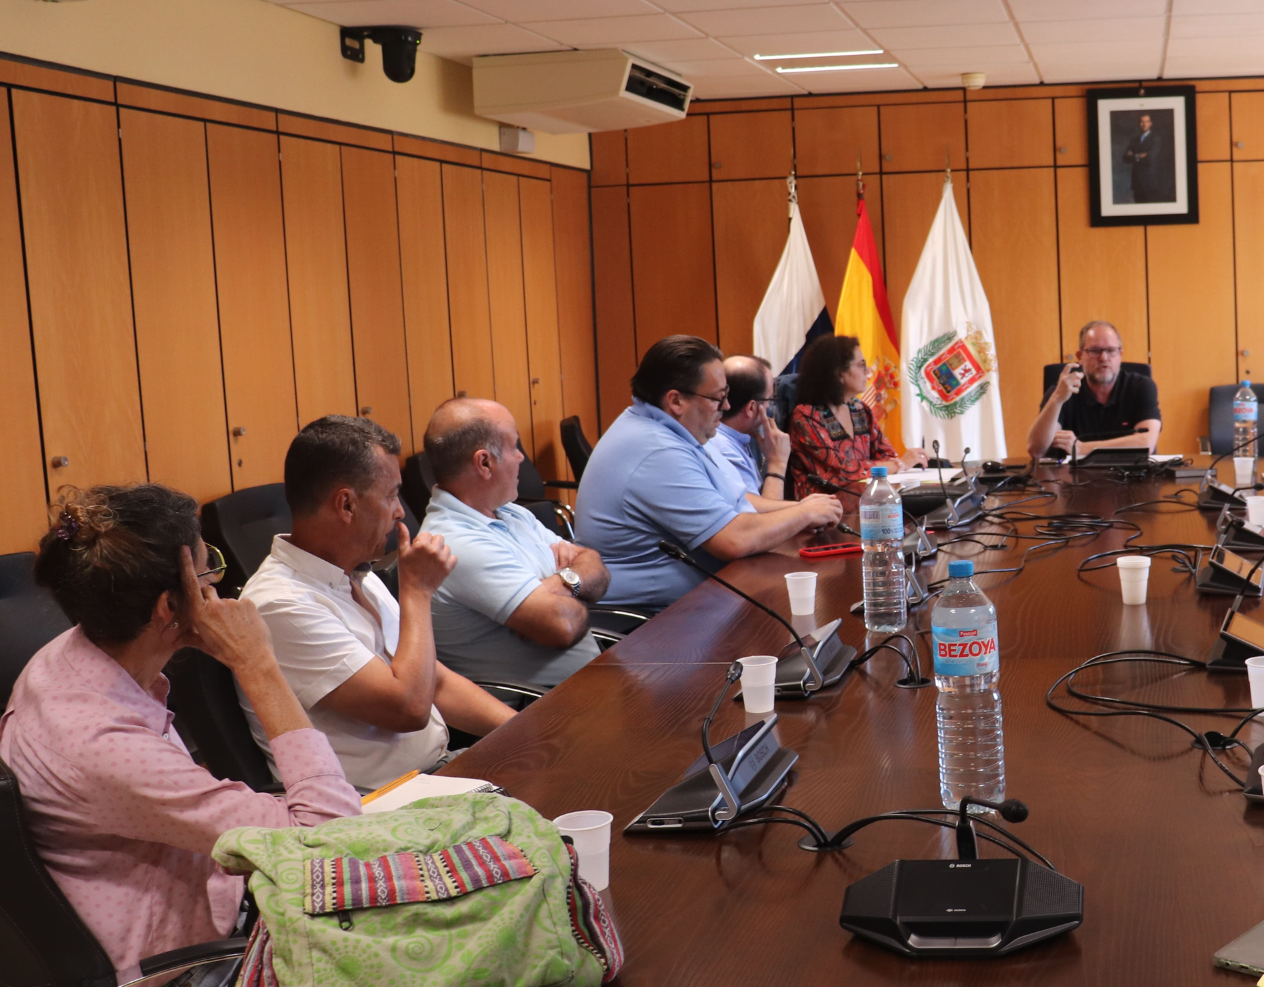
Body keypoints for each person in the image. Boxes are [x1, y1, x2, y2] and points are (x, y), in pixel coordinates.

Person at [0, 485, 361, 987]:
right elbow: (331, 845)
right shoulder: (98, 740)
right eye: (208, 564)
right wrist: (257, 662)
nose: (218, 580)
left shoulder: (64, 655)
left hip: (219, 929)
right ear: (172, 605)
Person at [240, 416, 515, 793]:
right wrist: (416, 590)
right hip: (376, 806)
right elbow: (409, 708)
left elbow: (436, 683)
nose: (400, 510)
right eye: (390, 496)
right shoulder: (279, 605)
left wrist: (527, 730)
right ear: (347, 504)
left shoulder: (356, 574)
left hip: (438, 774)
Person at [577, 335, 843, 611]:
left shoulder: (677, 431)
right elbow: (733, 539)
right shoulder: (655, 450)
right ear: (677, 401)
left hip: (707, 600)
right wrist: (802, 514)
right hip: (657, 624)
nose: (727, 407)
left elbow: (741, 502)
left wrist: (800, 509)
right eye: (718, 398)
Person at [417, 398, 609, 694]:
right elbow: (563, 625)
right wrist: (577, 586)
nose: (521, 458)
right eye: (514, 447)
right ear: (484, 462)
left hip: (584, 687)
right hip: (536, 712)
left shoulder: (510, 511)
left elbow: (594, 563)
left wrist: (557, 585)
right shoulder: (455, 543)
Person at [786, 333, 926, 502]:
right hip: (822, 512)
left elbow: (887, 454)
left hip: (865, 502)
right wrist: (898, 465)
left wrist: (896, 463)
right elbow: (841, 472)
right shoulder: (806, 416)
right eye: (861, 365)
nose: (867, 371)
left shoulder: (860, 410)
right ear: (839, 374)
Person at [1026, 321, 1163, 460]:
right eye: (1094, 351)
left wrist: (1081, 448)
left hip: (1132, 477)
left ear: (1120, 355)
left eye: (1111, 351)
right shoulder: (1062, 391)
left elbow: (1146, 443)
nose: (1103, 357)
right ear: (1080, 357)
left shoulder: (1141, 386)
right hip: (1072, 478)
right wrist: (1056, 400)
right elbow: (1037, 450)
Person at [707, 354, 798, 506]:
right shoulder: (724, 450)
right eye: (769, 400)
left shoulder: (731, 438)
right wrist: (777, 463)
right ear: (751, 408)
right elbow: (766, 523)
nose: (770, 407)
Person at [1123, 112, 1173, 203]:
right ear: (1139, 124)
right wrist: (1139, 155)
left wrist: (1133, 156)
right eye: (1142, 122)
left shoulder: (1155, 139)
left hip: (1149, 181)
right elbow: (1125, 158)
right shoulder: (1134, 140)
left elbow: (1150, 159)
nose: (1144, 124)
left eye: (1147, 121)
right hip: (1136, 181)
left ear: (1150, 123)